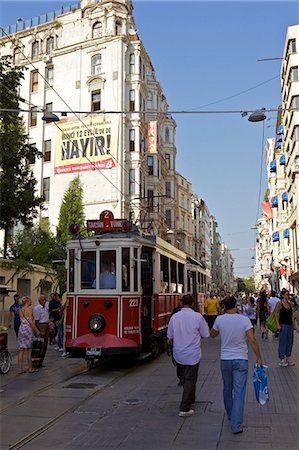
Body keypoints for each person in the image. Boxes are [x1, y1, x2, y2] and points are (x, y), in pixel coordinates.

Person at [211, 296, 263, 435]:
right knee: (239, 392)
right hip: (241, 359)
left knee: (227, 389)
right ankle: (236, 424)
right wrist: (259, 358)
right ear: (236, 305)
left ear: (224, 306)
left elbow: (213, 334)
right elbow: (252, 340)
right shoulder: (244, 320)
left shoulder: (220, 320)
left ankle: (230, 414)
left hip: (225, 359)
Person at [167, 294, 210, 417]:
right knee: (190, 379)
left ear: (181, 303)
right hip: (192, 354)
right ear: (192, 303)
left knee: (186, 378)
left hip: (178, 353)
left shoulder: (175, 317)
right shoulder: (197, 317)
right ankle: (184, 407)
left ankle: (191, 399)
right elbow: (206, 334)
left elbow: (169, 336)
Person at [17, 296, 40, 374]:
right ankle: (30, 368)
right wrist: (36, 330)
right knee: (29, 350)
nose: (31, 302)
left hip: (21, 329)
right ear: (27, 301)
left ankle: (20, 369)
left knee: (21, 349)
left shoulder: (20, 310)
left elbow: (22, 320)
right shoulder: (30, 310)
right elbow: (30, 321)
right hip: (28, 330)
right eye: (30, 300)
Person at [274, 288, 295, 367]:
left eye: (288, 294)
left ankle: (288, 358)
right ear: (282, 295)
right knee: (283, 342)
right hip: (283, 325)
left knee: (290, 342)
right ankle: (282, 359)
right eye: (286, 294)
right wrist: (277, 324)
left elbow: (292, 315)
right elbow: (276, 314)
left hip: (290, 325)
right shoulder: (279, 304)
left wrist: (295, 325)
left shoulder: (289, 304)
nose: (288, 296)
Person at [33, 294, 49, 365]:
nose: (44, 301)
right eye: (43, 300)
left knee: (45, 345)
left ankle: (41, 361)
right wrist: (40, 330)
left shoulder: (45, 308)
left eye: (45, 299)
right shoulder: (37, 308)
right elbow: (36, 321)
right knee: (39, 345)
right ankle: (36, 362)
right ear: (39, 300)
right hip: (41, 326)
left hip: (46, 325)